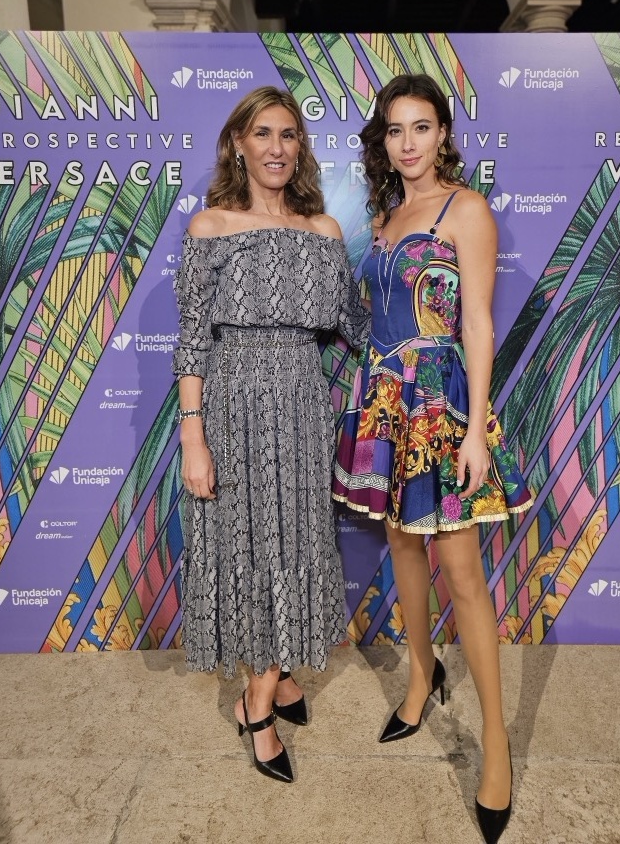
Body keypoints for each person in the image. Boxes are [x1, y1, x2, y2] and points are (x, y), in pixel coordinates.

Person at [332, 74, 532, 842]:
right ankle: (421, 676)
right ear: (382, 142)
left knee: (463, 573)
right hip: (385, 401)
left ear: (443, 133)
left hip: (441, 405)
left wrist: (475, 429)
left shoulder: (466, 210)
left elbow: (477, 325)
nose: (407, 142)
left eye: (421, 127)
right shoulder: (385, 219)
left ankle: (496, 744)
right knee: (401, 548)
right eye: (394, 129)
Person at [173, 86, 369, 784]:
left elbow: (355, 325)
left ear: (300, 148)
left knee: (294, 541)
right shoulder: (210, 227)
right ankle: (256, 708)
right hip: (231, 405)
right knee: (249, 545)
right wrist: (194, 437)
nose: (276, 148)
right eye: (262, 133)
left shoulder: (325, 232)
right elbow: (192, 341)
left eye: (288, 135)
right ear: (239, 144)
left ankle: (275, 675)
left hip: (302, 403)